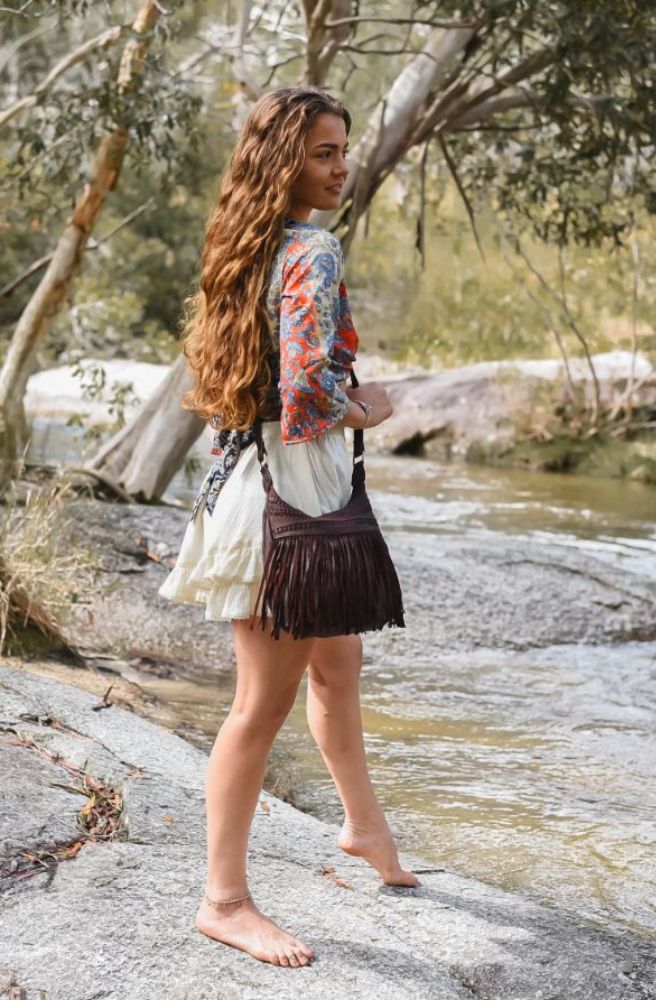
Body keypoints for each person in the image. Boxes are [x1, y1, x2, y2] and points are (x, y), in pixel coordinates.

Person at [158, 85, 418, 970]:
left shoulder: (249, 246)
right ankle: (223, 900)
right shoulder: (310, 248)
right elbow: (307, 400)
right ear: (282, 162)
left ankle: (362, 827)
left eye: (343, 149)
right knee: (258, 706)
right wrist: (371, 409)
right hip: (287, 505)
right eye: (321, 152)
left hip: (283, 494)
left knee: (338, 666)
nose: (340, 167)